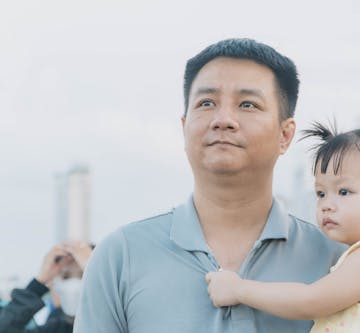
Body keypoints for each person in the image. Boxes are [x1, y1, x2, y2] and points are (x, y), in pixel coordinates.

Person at [74, 38, 343, 333]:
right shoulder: (120, 256)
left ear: (285, 134)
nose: (223, 119)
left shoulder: (338, 259)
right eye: (206, 103)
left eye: (247, 104)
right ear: (184, 125)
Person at [205, 109, 360, 332]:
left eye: (344, 192)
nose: (327, 204)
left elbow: (310, 300)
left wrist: (239, 289)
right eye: (321, 193)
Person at [0, 242, 93, 333]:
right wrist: (37, 285)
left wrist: (96, 270)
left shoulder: (105, 324)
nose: (73, 285)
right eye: (65, 276)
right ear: (53, 284)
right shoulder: (55, 328)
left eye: (83, 274)